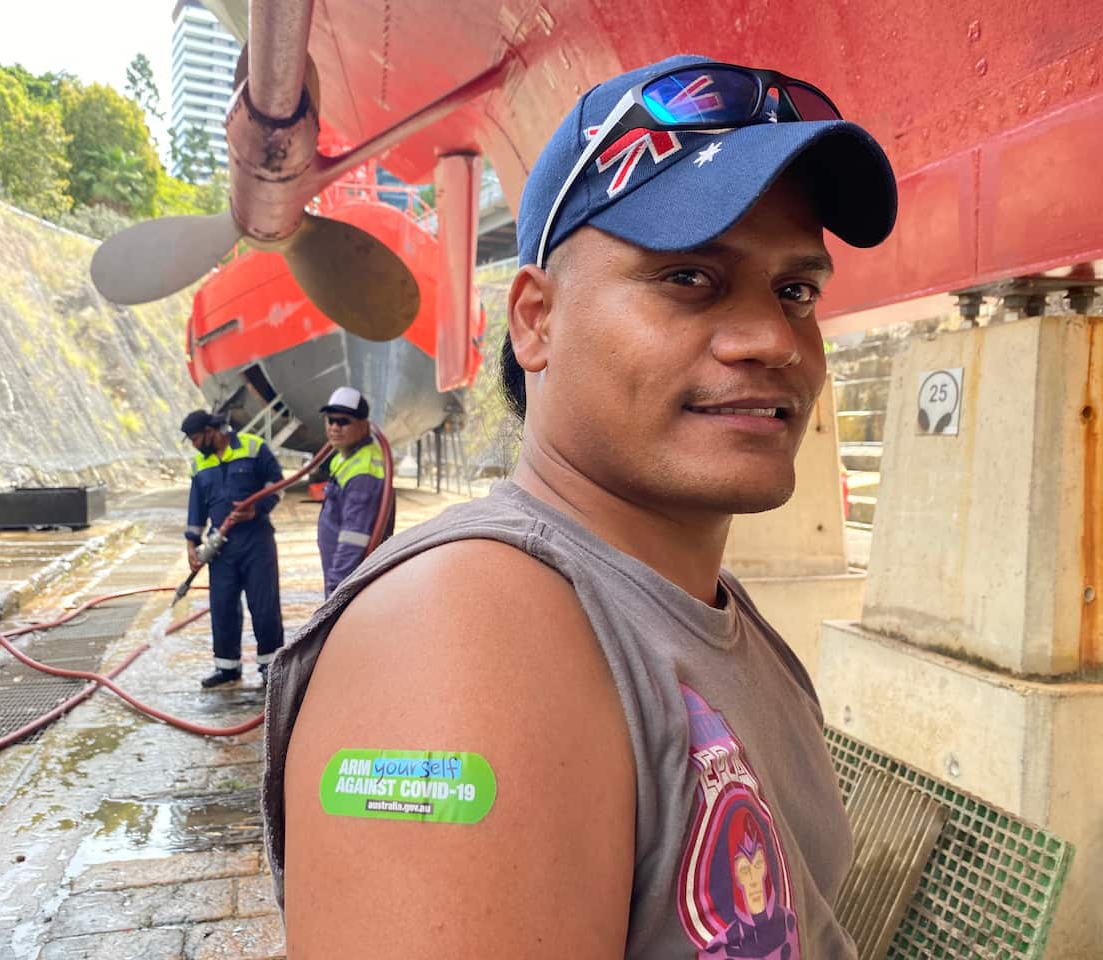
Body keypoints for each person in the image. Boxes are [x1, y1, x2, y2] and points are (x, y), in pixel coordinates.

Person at [263, 54, 897, 957]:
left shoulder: (706, 613)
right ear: (536, 320)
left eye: (796, 291)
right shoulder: (461, 638)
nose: (774, 340)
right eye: (689, 278)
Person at [181, 409, 286, 688]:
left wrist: (257, 508)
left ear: (210, 431)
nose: (194, 445)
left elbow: (277, 483)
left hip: (256, 542)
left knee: (264, 605)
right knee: (223, 606)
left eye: (195, 438)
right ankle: (227, 667)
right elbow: (196, 507)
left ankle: (271, 666)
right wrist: (192, 543)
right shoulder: (200, 464)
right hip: (222, 548)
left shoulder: (253, 447)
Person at [316, 387, 394, 597]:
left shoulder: (364, 472)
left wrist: (336, 591)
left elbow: (354, 538)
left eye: (343, 421)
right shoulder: (343, 457)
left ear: (363, 425)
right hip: (345, 578)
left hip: (351, 583)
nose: (334, 427)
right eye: (330, 420)